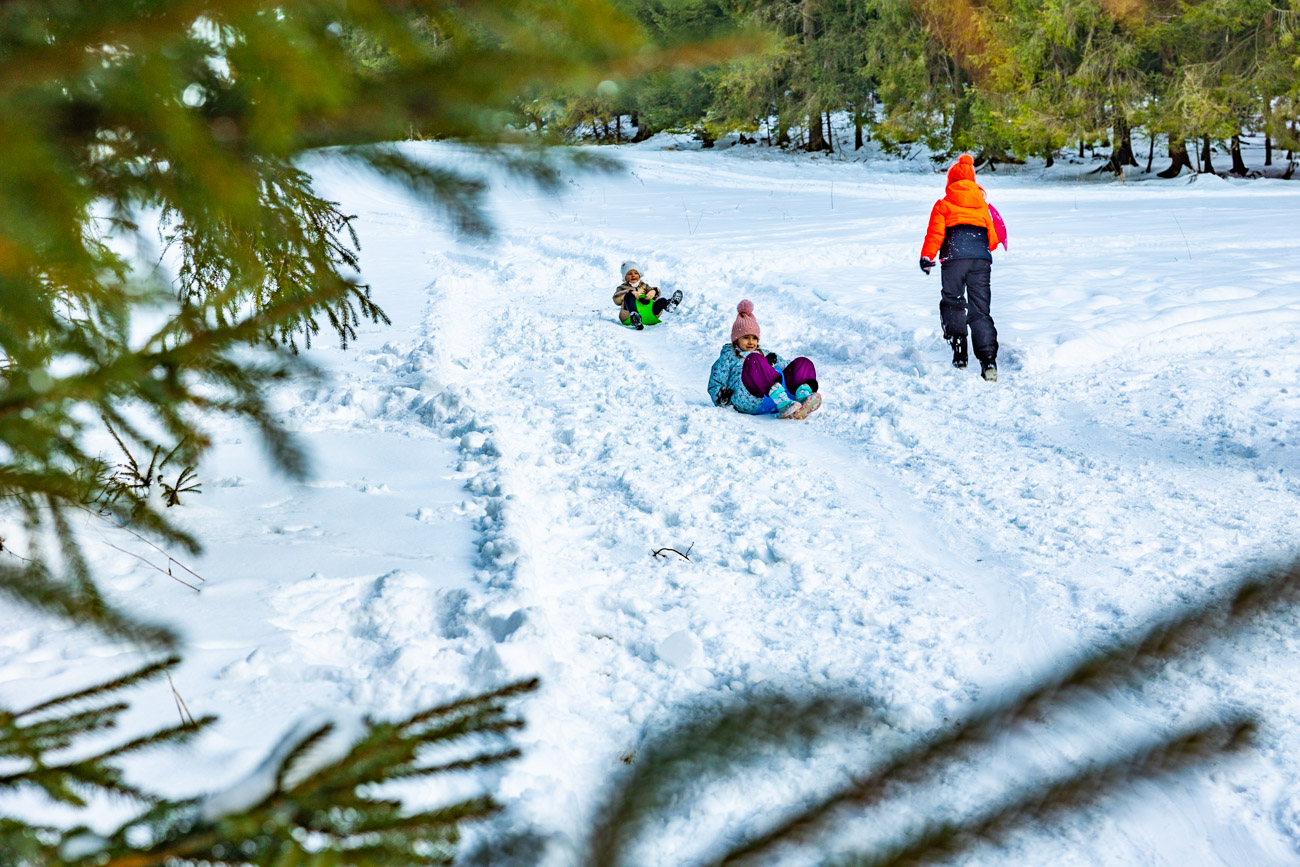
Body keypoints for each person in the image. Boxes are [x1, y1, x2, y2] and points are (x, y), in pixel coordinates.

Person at [919, 153, 1001, 381]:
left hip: (954, 259)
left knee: (953, 303)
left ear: (951, 181)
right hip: (980, 260)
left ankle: (959, 353)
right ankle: (988, 361)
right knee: (980, 310)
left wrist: (927, 256)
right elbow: (992, 241)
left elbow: (935, 233)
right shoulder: (983, 207)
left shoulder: (943, 204)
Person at [707, 300, 822, 419]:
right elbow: (715, 383)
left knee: (802, 363)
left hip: (782, 398)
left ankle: (802, 397)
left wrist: (793, 371)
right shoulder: (728, 357)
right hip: (751, 400)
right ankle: (781, 402)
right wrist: (722, 397)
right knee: (754, 360)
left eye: (754, 338)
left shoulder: (763, 353)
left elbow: (787, 367)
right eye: (746, 338)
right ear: (736, 339)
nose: (751, 342)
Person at [613, 261, 682, 330]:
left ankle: (669, 305)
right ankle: (634, 316)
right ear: (625, 277)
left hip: (649, 314)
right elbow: (616, 299)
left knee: (662, 300)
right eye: (629, 274)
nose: (633, 275)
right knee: (629, 296)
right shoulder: (622, 288)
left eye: (636, 273)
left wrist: (653, 291)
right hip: (628, 316)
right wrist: (630, 292)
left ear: (640, 275)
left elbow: (655, 293)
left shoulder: (644, 286)